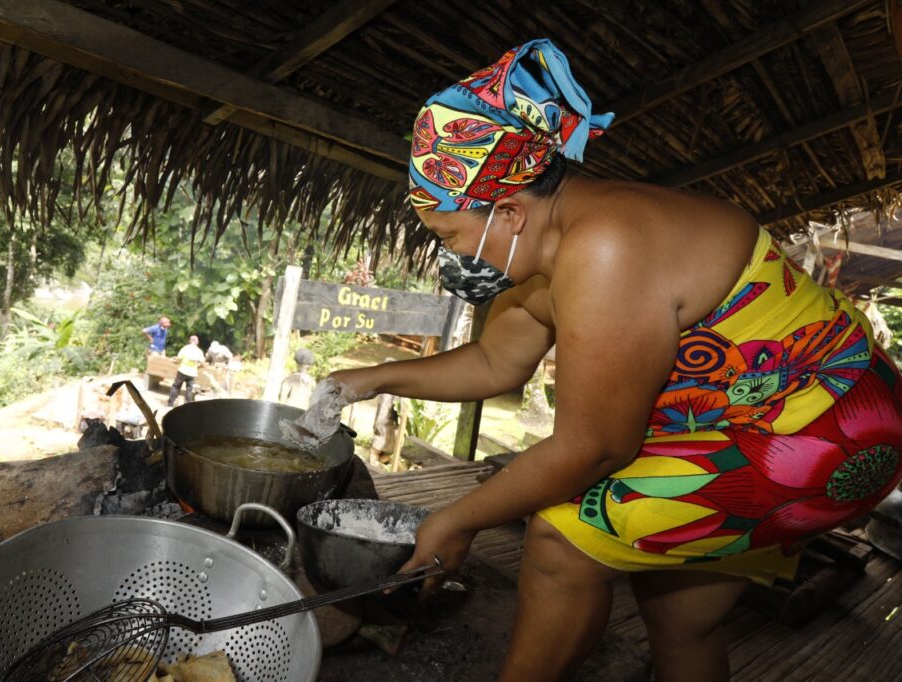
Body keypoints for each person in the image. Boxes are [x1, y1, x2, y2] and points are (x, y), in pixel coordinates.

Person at [306, 39, 902, 681]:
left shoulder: (606, 246)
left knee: (563, 540)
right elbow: (493, 364)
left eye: (449, 236)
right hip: (771, 425)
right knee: (679, 616)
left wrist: (455, 522)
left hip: (826, 428)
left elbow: (595, 448)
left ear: (507, 212)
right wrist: (369, 379)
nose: (450, 257)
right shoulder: (548, 257)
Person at [168, 335, 205, 407]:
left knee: (176, 387)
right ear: (197, 342)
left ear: (190, 341)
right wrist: (197, 367)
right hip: (192, 373)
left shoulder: (185, 348)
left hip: (182, 370)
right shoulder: (199, 351)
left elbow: (178, 360)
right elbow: (203, 364)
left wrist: (174, 362)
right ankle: (188, 406)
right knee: (189, 390)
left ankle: (170, 404)